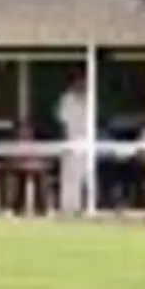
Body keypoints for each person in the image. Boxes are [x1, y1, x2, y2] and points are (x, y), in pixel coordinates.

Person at [55, 72, 91, 215]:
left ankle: (85, 205)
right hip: (72, 140)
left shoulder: (88, 99)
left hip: (87, 140)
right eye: (79, 81)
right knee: (70, 177)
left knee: (86, 175)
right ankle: (69, 207)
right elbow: (63, 121)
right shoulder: (67, 99)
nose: (81, 85)